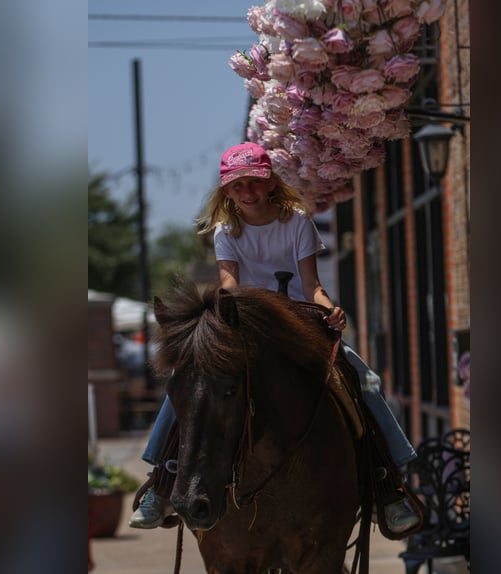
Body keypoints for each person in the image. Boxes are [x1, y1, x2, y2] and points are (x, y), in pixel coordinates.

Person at [130, 142, 419, 532]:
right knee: (187, 382)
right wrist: (233, 319)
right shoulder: (225, 232)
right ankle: (160, 482)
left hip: (299, 322)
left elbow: (311, 284)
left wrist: (328, 308)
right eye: (237, 186)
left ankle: (390, 484)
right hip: (247, 324)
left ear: (269, 182)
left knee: (365, 380)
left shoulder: (297, 221)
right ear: (226, 192)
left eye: (254, 182)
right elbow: (230, 285)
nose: (247, 192)